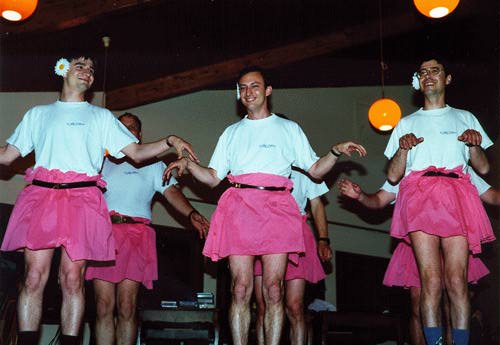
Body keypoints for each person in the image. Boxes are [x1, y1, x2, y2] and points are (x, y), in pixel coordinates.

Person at [0, 55, 197, 345]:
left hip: (82, 199)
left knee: (72, 279)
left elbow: (137, 153)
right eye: (81, 65)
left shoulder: (101, 117)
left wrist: (169, 141)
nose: (88, 72)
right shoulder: (38, 114)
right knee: (33, 277)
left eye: (92, 69)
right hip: (42, 196)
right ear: (63, 70)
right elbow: (6, 156)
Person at [165, 66, 366, 345]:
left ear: (268, 90)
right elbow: (212, 178)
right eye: (243, 87)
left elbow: (316, 170)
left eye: (255, 86)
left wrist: (334, 151)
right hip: (239, 208)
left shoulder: (288, 129)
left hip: (278, 210)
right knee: (240, 289)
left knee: (274, 290)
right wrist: (188, 164)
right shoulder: (232, 132)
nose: (248, 92)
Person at [384, 57, 494, 345]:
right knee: (429, 281)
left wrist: (474, 145)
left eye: (435, 71)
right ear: (418, 82)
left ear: (447, 79)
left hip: (457, 197)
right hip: (420, 198)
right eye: (422, 72)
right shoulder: (406, 123)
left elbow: (483, 169)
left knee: (457, 281)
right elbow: (394, 177)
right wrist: (403, 150)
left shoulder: (466, 117)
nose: (428, 75)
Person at [85, 113, 210, 345]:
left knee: (127, 306)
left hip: (136, 236)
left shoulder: (154, 164)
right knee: (103, 306)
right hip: (104, 235)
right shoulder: (99, 161)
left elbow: (171, 192)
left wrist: (191, 213)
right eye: (121, 128)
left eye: (131, 128)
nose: (126, 131)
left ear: (139, 135)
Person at [338, 174, 496, 345]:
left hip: (453, 241)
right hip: (420, 245)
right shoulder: (409, 169)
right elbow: (379, 200)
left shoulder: (458, 164)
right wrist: (361, 196)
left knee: (452, 304)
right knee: (417, 304)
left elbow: (492, 196)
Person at [254, 169, 332, 345]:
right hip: (265, 231)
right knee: (262, 306)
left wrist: (323, 240)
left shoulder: (307, 167)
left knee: (295, 306)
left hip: (297, 233)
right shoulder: (264, 160)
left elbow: (317, 204)